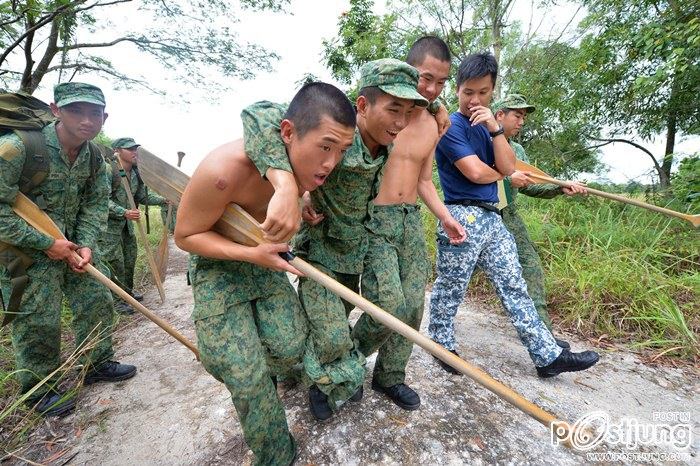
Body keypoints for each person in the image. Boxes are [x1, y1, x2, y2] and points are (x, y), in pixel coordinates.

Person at [174, 82, 356, 466]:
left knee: (291, 348)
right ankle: (276, 453)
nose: (331, 163)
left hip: (264, 259)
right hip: (218, 268)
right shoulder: (223, 171)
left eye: (341, 151)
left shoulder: (297, 168)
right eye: (325, 147)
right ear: (288, 133)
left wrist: (298, 196)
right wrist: (251, 253)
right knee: (244, 374)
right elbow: (186, 236)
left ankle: (277, 370)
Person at [241, 59, 429, 420]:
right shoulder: (340, 134)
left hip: (363, 243)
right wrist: (286, 188)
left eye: (408, 112)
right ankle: (324, 374)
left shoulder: (385, 140)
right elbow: (258, 114)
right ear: (362, 106)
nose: (401, 122)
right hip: (324, 248)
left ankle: (341, 365)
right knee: (329, 332)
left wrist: (435, 107)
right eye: (393, 109)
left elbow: (425, 107)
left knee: (392, 309)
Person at [427, 53, 599, 378]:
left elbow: (507, 166)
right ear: (457, 90)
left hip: (493, 218)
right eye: (467, 93)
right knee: (451, 287)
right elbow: (478, 173)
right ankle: (440, 343)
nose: (474, 100)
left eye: (482, 93)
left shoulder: (491, 128)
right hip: (462, 215)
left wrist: (495, 130)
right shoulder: (451, 127)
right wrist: (503, 171)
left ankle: (546, 356)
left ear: (492, 92)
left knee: (515, 285)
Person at [0, 83, 137, 417]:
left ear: (105, 117)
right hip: (26, 253)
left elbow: (94, 204)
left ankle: (96, 362)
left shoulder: (94, 158)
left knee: (98, 300)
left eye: (94, 113)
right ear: (56, 110)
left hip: (75, 249)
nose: (86, 120)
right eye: (76, 111)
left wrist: (87, 244)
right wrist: (47, 243)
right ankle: (39, 391)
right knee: (37, 321)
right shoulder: (16, 149)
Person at [351, 37, 466, 411]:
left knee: (414, 304)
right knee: (388, 303)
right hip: (376, 219)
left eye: (441, 84)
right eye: (425, 78)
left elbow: (424, 181)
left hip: (409, 220)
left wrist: (446, 217)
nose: (432, 89)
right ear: (408, 70)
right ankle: (344, 367)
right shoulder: (382, 115)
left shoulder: (435, 123)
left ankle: (390, 376)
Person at [492, 94, 587, 343]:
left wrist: (559, 187)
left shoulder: (518, 151)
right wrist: (504, 177)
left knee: (530, 268)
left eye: (524, 117)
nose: (521, 121)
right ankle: (441, 331)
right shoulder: (479, 140)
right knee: (459, 276)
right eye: (517, 115)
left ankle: (544, 338)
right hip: (478, 215)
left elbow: (529, 187)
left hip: (509, 217)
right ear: (500, 115)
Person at [100, 137, 167, 313]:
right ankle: (117, 300)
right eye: (129, 149)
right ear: (117, 151)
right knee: (115, 263)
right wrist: (124, 212)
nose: (134, 152)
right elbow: (101, 200)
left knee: (130, 259)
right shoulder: (108, 170)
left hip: (127, 227)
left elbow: (141, 198)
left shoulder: (136, 173)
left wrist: (163, 200)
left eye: (135, 148)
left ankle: (127, 293)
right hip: (109, 228)